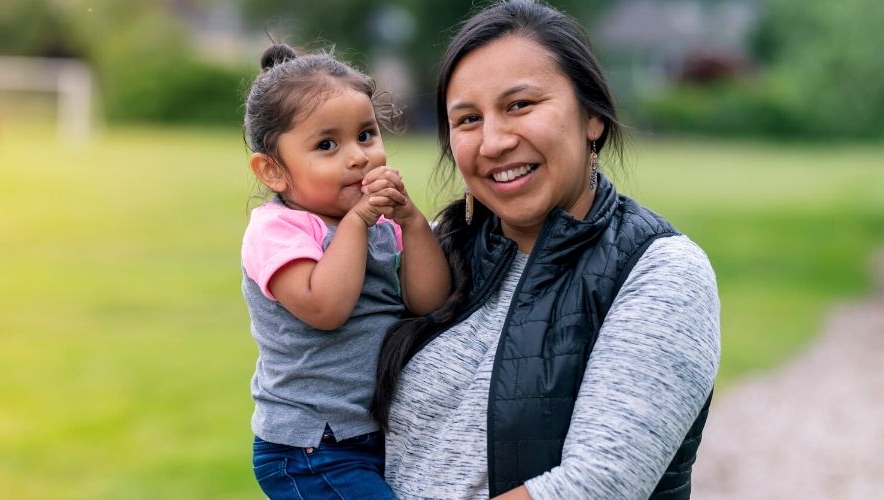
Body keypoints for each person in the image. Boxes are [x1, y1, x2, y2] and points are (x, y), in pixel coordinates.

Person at [372, 1, 720, 499]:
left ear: (592, 117)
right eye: (468, 119)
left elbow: (597, 486)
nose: (492, 141)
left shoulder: (660, 272)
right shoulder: (435, 250)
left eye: (520, 105)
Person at [241, 43, 451, 499]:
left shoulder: (381, 223)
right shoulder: (279, 230)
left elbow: (429, 301)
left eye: (367, 135)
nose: (358, 157)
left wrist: (412, 222)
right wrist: (357, 222)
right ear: (273, 171)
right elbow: (326, 307)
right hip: (312, 446)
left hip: (372, 435)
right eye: (327, 145)